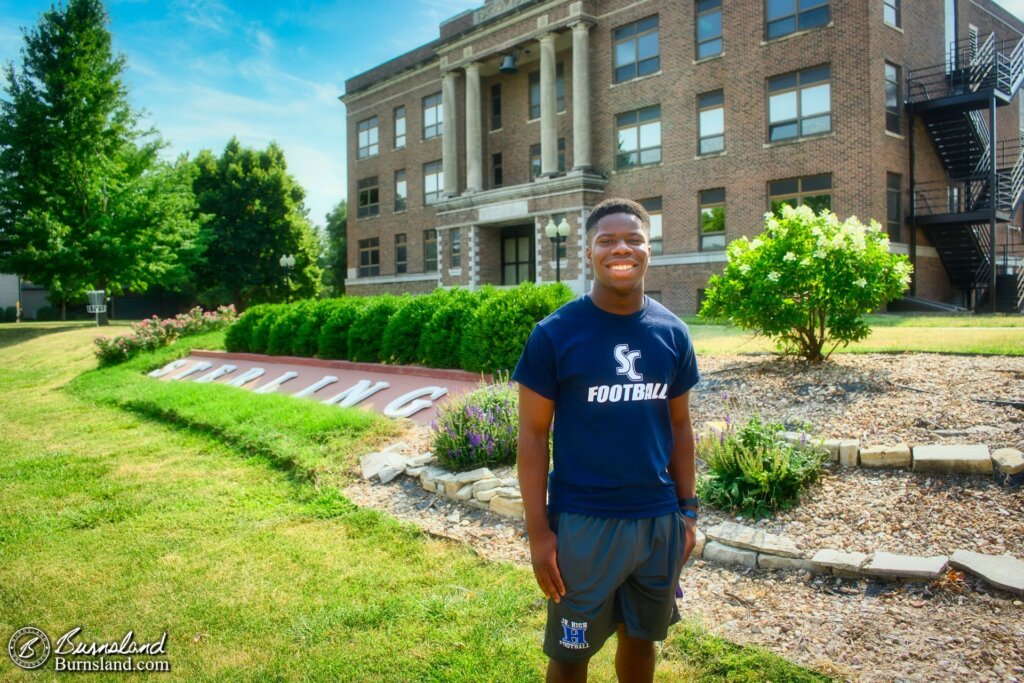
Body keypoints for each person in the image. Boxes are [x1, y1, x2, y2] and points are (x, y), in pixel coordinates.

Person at [513, 197, 700, 683]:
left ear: (649, 249)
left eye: (634, 239)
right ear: (589, 251)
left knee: (641, 644)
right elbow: (533, 437)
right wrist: (538, 533)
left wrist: (689, 512)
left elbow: (680, 427)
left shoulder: (673, 333)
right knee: (571, 656)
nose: (622, 248)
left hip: (657, 521)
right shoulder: (554, 334)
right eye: (608, 240)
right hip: (584, 524)